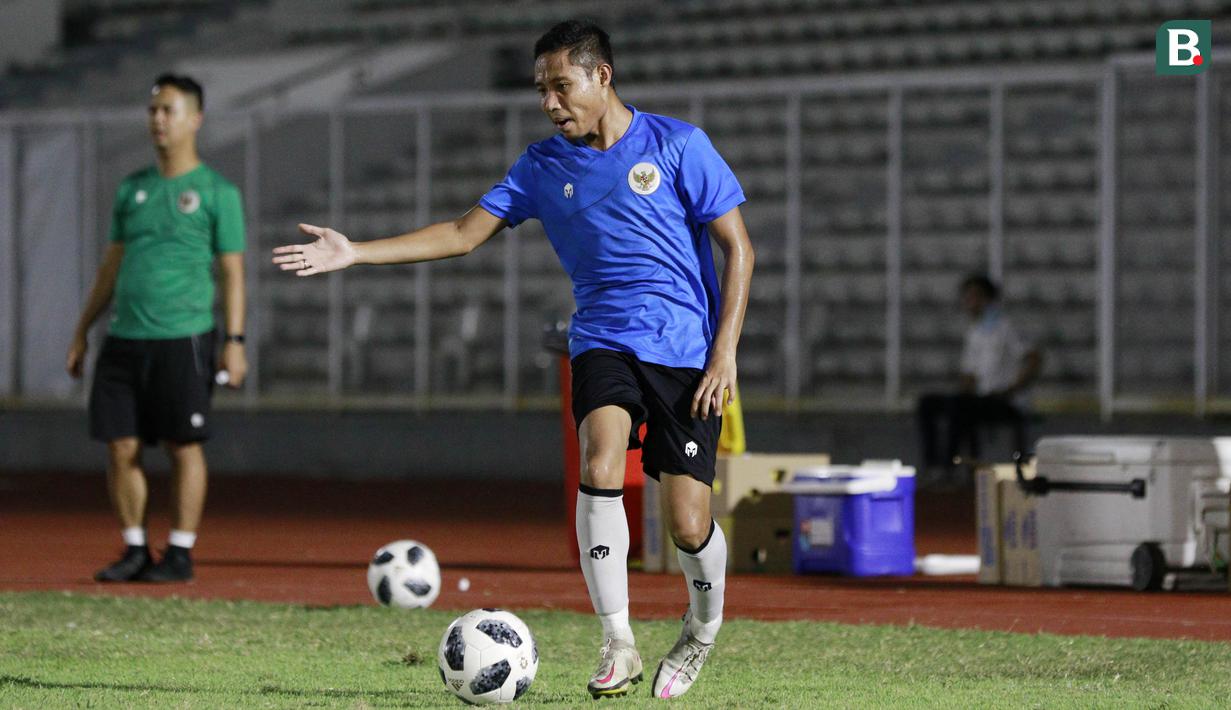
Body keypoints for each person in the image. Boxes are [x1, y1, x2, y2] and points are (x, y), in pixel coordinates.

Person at [272, 20, 753, 700]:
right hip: (601, 342)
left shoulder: (678, 144)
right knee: (599, 460)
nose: (550, 103)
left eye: (561, 87)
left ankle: (700, 633)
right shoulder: (540, 166)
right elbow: (463, 234)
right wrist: (357, 252)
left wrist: (724, 352)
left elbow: (740, 248)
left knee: (687, 524)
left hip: (683, 351)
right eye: (540, 91)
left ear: (601, 77)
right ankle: (617, 640)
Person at [67, 74, 248, 583]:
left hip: (184, 337)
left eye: (168, 110)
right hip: (124, 337)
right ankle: (134, 548)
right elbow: (111, 267)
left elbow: (232, 272)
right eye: (152, 111)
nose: (158, 120)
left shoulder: (217, 193)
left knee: (182, 446)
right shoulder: (133, 189)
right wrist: (83, 329)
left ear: (195, 119)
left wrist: (234, 341)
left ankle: (182, 552)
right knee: (120, 445)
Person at [917, 274, 1042, 479]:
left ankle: (949, 468)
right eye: (966, 297)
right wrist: (961, 393)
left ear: (987, 299)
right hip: (979, 400)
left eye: (973, 297)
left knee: (961, 406)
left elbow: (1034, 358)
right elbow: (969, 374)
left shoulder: (1007, 327)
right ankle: (935, 465)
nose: (968, 303)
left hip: (1004, 400)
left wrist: (1013, 389)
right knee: (928, 404)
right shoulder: (975, 332)